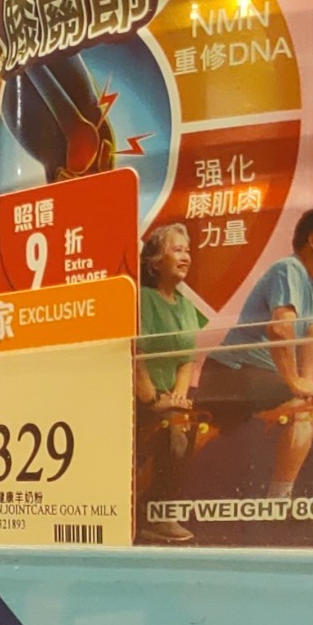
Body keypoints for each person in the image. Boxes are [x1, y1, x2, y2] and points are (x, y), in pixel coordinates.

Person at [198, 209, 313, 502]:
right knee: (305, 410)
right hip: (232, 372)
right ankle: (278, 502)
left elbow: (311, 333)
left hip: (256, 377)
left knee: (308, 405)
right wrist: (294, 383)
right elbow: (280, 329)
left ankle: (278, 501)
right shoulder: (288, 269)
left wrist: (307, 381)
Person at [135, 220, 205, 542]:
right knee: (172, 425)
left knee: (188, 420)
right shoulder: (144, 299)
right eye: (177, 250)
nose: (185, 257)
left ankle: (162, 510)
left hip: (167, 395)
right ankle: (152, 515)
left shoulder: (187, 306)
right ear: (155, 261)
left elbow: (187, 360)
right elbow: (137, 357)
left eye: (187, 251)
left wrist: (177, 396)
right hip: (139, 397)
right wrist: (153, 400)